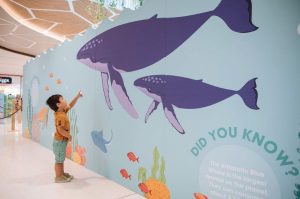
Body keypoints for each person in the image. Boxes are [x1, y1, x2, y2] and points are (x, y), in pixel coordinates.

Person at [46, 91, 83, 183]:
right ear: (58, 104)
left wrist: (77, 96)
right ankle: (58, 177)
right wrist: (68, 135)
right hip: (59, 142)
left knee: (61, 159)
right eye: (62, 99)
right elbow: (60, 130)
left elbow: (70, 104)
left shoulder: (62, 111)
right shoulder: (60, 116)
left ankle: (61, 174)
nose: (65, 99)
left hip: (61, 141)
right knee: (59, 160)